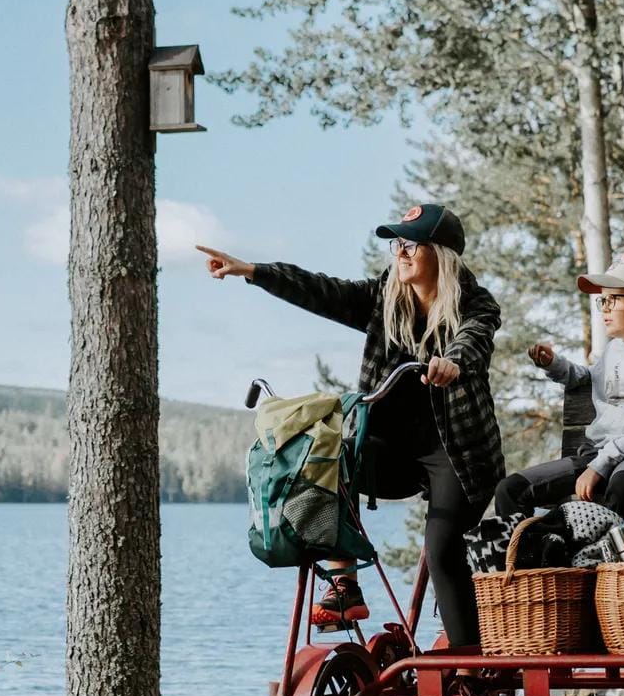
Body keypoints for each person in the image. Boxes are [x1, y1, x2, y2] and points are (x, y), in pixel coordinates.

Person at [198, 203, 503, 650]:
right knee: (330, 460)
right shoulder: (385, 296)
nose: (400, 253)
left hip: (458, 454)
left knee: (443, 552)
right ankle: (346, 586)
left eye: (410, 245)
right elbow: (323, 290)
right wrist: (254, 272)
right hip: (393, 450)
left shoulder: (476, 304)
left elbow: (474, 339)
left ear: (441, 254)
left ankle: (468, 663)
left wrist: (452, 363)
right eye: (396, 245)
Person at [492, 249, 624, 520]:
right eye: (603, 300)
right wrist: (554, 364)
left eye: (614, 299)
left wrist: (600, 464)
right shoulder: (615, 348)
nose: (605, 308)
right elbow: (588, 378)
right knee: (511, 490)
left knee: (623, 484)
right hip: (603, 454)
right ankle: (536, 548)